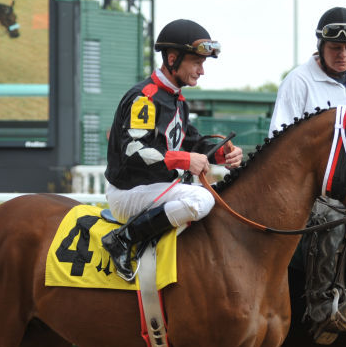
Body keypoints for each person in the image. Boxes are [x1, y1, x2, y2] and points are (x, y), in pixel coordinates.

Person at [269, 6, 346, 345]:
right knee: (334, 217)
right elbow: (278, 144)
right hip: (310, 189)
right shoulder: (298, 82)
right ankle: (322, 308)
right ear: (321, 47)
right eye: (335, 48)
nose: (343, 54)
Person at [100, 19, 243, 281]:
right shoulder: (145, 98)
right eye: (197, 63)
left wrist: (222, 154)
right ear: (173, 58)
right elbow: (133, 150)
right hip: (129, 192)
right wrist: (184, 160)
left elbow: (192, 142)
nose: (202, 71)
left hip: (155, 190)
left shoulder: (176, 99)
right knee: (203, 200)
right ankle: (123, 239)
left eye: (203, 64)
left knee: (221, 198)